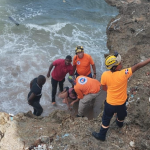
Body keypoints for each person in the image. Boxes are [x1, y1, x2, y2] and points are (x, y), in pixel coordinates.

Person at [92, 52, 150, 141]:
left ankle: (102, 135)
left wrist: (112, 91)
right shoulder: (124, 73)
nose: (121, 63)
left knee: (106, 119)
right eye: (119, 63)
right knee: (121, 115)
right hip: (121, 103)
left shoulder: (105, 75)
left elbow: (103, 88)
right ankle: (119, 124)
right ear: (115, 67)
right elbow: (138, 66)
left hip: (110, 104)